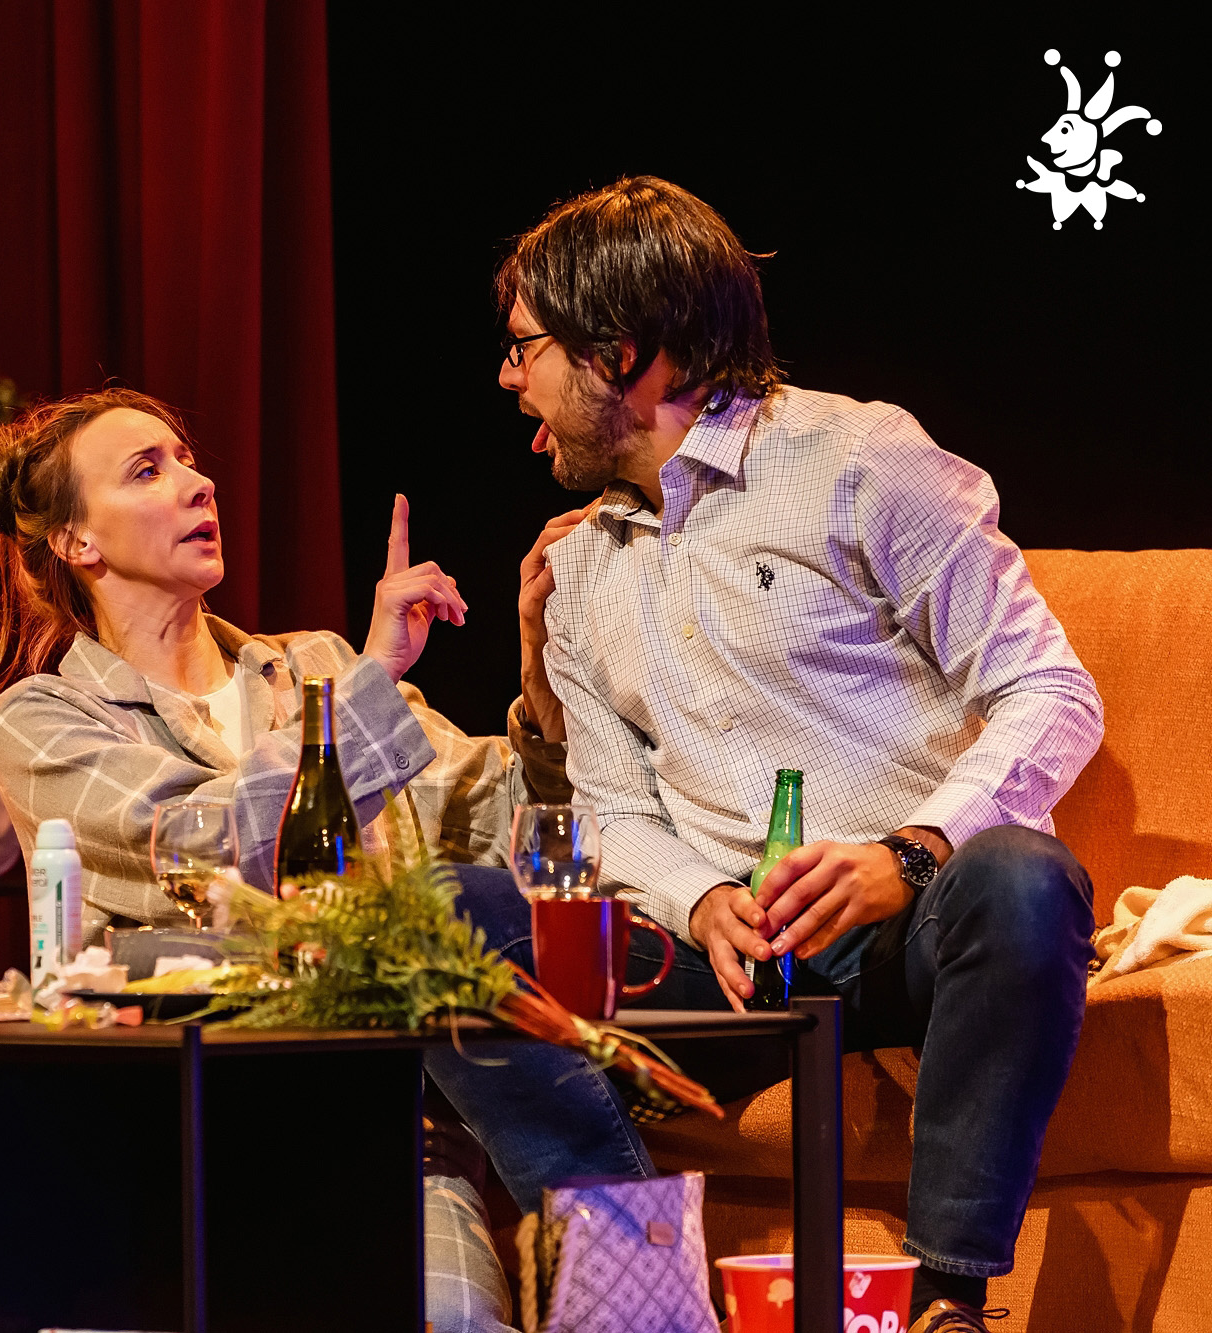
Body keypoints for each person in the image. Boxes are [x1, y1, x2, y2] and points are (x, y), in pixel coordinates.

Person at [459, 175, 1102, 1332]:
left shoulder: (855, 460)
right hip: (728, 952)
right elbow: (609, 809)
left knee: (1021, 877)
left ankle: (943, 1303)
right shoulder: (579, 566)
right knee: (455, 919)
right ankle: (637, 1288)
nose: (510, 379)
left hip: (906, 928)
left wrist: (907, 855)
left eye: (524, 347)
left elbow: (1049, 691)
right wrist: (699, 898)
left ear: (618, 352)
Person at [0, 385, 588, 1333]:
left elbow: (511, 828)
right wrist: (371, 683)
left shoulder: (316, 666)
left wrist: (542, 673)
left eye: (187, 458)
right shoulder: (45, 720)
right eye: (147, 470)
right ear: (77, 540)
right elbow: (206, 839)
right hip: (182, 1145)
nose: (197, 482)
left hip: (387, 1134)